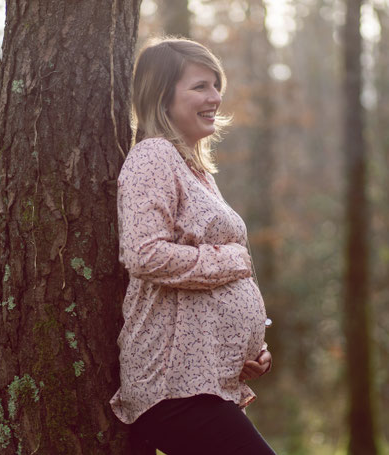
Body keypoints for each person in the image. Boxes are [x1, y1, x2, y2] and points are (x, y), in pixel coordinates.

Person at [110, 37, 275, 455]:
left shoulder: (194, 169)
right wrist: (230, 259)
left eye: (217, 85)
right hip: (171, 390)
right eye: (201, 86)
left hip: (204, 383)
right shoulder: (153, 157)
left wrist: (245, 351)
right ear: (162, 95)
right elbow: (144, 253)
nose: (216, 97)